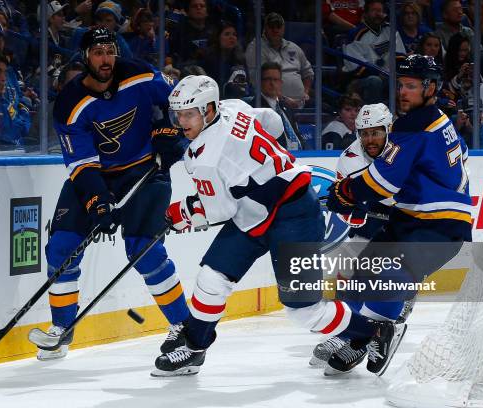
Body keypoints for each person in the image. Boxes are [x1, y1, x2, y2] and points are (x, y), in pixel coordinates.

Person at [151, 75, 390, 377]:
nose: (181, 121)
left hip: (295, 215)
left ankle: (373, 331)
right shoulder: (234, 107)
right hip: (253, 215)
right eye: (178, 115)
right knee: (212, 278)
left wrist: (180, 212)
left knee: (304, 310)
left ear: (209, 109)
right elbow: (272, 121)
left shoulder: (204, 159)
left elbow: (218, 209)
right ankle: (195, 348)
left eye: (189, 114)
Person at [39, 27, 191, 361]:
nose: (105, 59)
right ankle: (61, 329)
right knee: (62, 247)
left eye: (109, 51)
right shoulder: (69, 103)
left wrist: (170, 134)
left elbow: (181, 100)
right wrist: (97, 202)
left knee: (144, 250)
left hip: (145, 170)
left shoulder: (140, 75)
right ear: (84, 57)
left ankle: (184, 326)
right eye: (97, 52)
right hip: (97, 175)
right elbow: (80, 162)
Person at [320, 54, 472, 375]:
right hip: (417, 217)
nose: (403, 91)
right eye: (401, 85)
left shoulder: (413, 126)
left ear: (430, 87)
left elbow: (381, 181)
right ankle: (363, 338)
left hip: (436, 225)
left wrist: (345, 193)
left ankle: (384, 329)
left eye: (412, 86)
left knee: (391, 272)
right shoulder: (438, 118)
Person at [310, 103, 394, 369]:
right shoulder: (349, 158)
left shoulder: (404, 150)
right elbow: (342, 203)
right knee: (347, 262)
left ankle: (388, 315)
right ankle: (348, 327)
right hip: (373, 213)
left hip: (406, 212)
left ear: (389, 130)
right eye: (364, 133)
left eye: (376, 133)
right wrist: (354, 215)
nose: (369, 139)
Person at [342, 0, 406, 104]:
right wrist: (381, 73)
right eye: (374, 10)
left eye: (380, 11)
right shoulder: (356, 34)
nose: (378, 14)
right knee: (375, 81)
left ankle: (399, 116)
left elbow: (400, 57)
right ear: (365, 14)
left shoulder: (391, 31)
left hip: (387, 77)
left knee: (403, 81)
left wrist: (390, 74)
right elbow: (357, 68)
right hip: (359, 81)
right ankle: (373, 117)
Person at [245, 12, 314, 108]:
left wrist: (306, 92)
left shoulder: (293, 47)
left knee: (329, 111)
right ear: (265, 29)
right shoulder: (256, 48)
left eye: (278, 26)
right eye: (272, 27)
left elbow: (308, 73)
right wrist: (284, 99)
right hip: (273, 102)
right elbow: (258, 82)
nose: (275, 30)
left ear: (283, 28)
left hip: (301, 102)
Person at [249, 61, 305, 150]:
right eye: (268, 79)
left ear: (281, 83)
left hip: (299, 156)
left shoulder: (286, 107)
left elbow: (297, 134)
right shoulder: (254, 107)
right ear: (260, 82)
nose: (272, 83)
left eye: (275, 80)